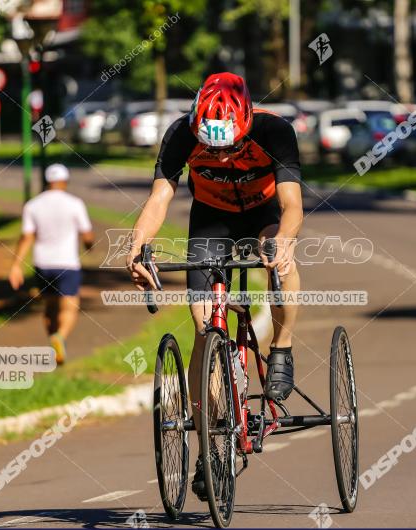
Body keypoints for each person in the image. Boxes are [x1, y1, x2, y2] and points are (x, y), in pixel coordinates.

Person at [126, 72, 303, 500]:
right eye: (214, 148)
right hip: (211, 220)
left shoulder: (274, 130)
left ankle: (282, 346)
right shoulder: (180, 135)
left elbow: (292, 204)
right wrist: (136, 247)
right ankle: (210, 445)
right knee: (204, 330)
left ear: (245, 120)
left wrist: (283, 241)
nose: (222, 156)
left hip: (262, 215)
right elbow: (159, 198)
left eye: (231, 146)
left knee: (280, 260)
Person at [9, 163, 95, 364]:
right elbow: (87, 234)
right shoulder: (75, 203)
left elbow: (27, 237)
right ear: (64, 182)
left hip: (43, 263)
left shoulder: (33, 205)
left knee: (50, 307)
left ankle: (53, 340)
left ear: (47, 182)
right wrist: (89, 245)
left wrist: (16, 265)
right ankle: (60, 337)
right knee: (70, 307)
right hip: (67, 263)